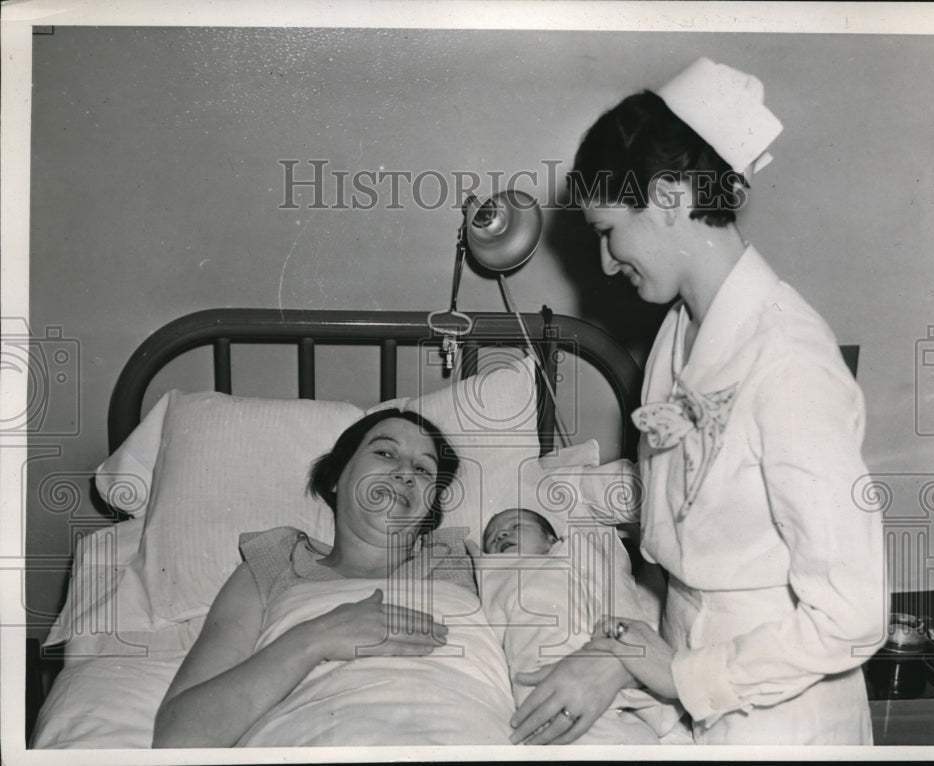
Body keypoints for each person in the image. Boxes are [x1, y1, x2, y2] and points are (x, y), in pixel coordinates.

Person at [509, 57, 886, 745]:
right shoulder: (681, 330)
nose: (603, 263)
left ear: (671, 198)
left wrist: (685, 677)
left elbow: (853, 615)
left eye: (606, 232)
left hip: (778, 713)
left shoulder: (790, 363)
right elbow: (694, 515)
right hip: (688, 673)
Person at [152, 408, 515, 748]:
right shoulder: (275, 563)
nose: (406, 473)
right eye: (386, 454)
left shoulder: (460, 558)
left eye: (423, 470)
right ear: (338, 477)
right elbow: (178, 735)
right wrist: (317, 637)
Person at [477, 507, 685, 745]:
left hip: (591, 674)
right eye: (493, 537)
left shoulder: (568, 560)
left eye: (516, 526)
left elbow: (608, 592)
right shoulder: (495, 574)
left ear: (550, 541)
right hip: (534, 681)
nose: (502, 535)